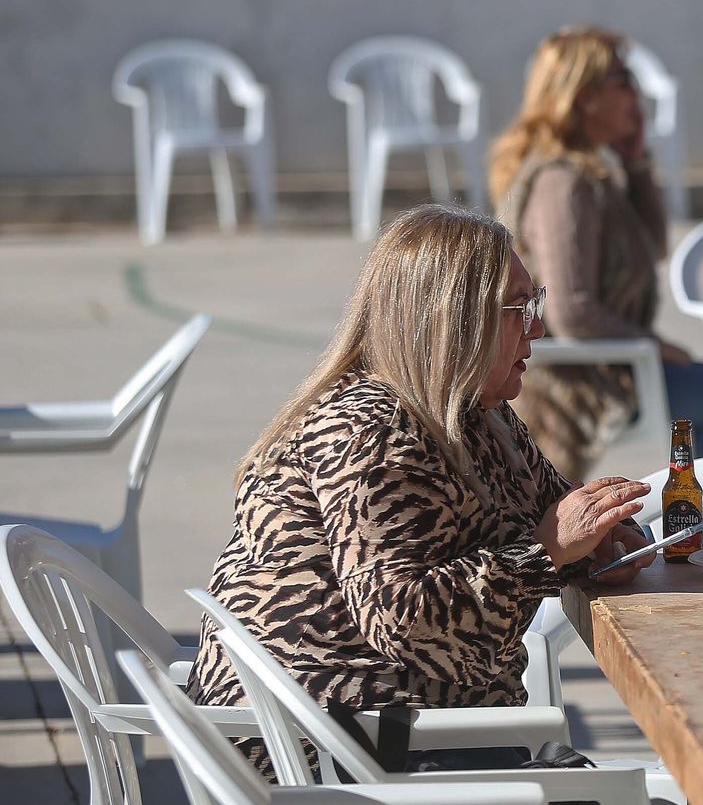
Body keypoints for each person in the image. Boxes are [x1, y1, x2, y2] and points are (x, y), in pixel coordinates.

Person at [188, 203, 656, 775]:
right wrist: (549, 552)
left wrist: (604, 545)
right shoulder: (372, 431)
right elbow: (404, 620)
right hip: (329, 746)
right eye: (518, 309)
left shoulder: (479, 414)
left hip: (403, 725)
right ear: (453, 322)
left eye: (535, 302)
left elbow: (557, 515)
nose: (537, 328)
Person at [489, 27, 703, 480]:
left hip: (611, 364)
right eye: (623, 81)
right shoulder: (563, 183)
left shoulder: (591, 172)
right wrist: (655, 347)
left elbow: (653, 245)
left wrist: (636, 162)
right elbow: (572, 312)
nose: (637, 94)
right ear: (584, 97)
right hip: (579, 378)